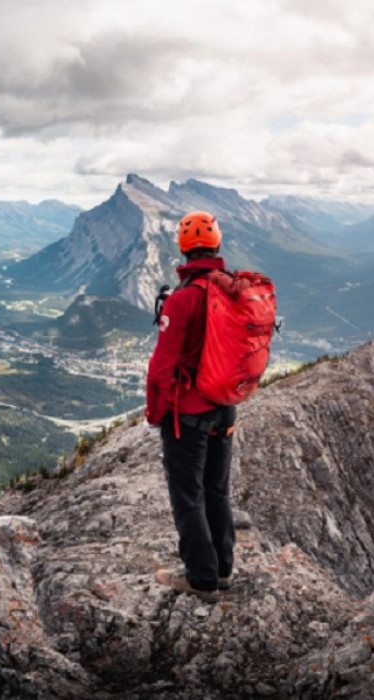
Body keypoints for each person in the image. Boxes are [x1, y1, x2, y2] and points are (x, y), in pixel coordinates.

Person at [146, 210, 236, 604]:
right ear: (216, 246)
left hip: (190, 414)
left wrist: (155, 413)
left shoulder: (182, 300)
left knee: (188, 496)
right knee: (217, 490)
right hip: (226, 407)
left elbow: (161, 366)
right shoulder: (232, 288)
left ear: (183, 251)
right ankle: (222, 569)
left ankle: (201, 578)